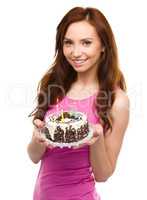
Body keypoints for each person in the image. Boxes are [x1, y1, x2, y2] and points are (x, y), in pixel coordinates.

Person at [27, 6, 130, 200]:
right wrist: (38, 138)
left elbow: (103, 175)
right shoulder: (53, 86)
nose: (75, 52)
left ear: (103, 46)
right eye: (68, 43)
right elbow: (34, 157)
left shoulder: (117, 101)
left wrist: (97, 138)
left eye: (86, 43)